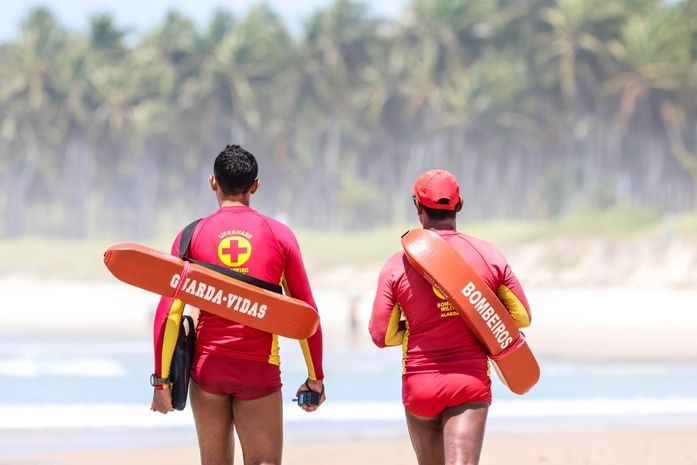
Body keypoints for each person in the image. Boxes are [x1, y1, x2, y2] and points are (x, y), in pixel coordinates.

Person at [150, 145, 325, 465]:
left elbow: (169, 312)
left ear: (213, 182)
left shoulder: (191, 235)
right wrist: (316, 378)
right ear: (255, 186)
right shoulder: (279, 235)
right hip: (258, 367)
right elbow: (306, 313)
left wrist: (161, 381)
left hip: (208, 369)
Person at [369, 169, 531, 465]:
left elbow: (380, 335)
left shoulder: (398, 264)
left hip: (420, 385)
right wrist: (471, 313)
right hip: (468, 382)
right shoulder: (487, 255)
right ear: (460, 205)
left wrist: (415, 326)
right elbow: (521, 316)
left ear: (417, 206)